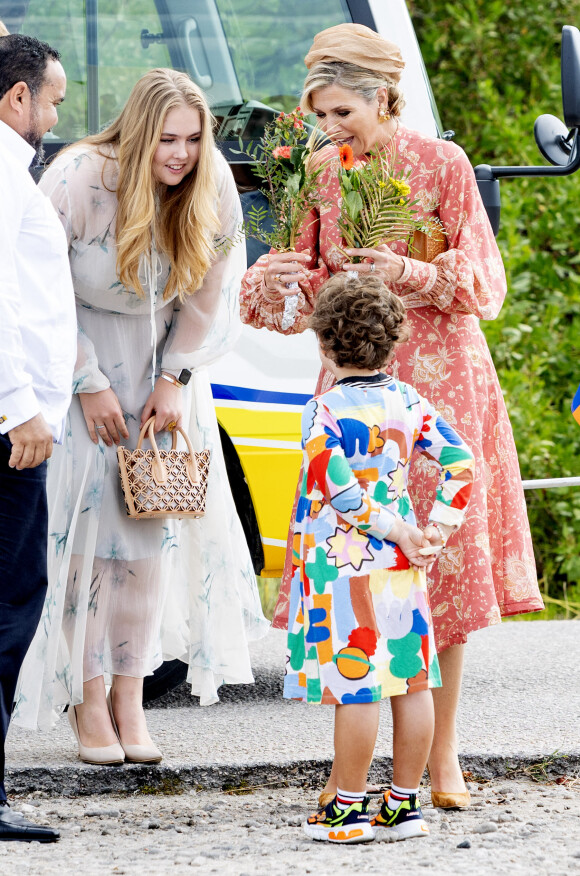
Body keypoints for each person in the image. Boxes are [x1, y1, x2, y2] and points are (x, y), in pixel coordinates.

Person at [241, 22, 544, 809]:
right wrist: (276, 278)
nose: (329, 129)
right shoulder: (317, 173)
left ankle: (443, 755)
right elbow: (301, 295)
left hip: (442, 377)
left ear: (381, 96)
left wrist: (408, 268)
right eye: (321, 114)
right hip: (352, 389)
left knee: (433, 562)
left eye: (342, 112)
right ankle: (359, 767)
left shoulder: (443, 163)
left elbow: (485, 280)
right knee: (362, 560)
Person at [14, 68, 269, 763]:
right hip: (75, 363)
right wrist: (87, 381)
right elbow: (34, 290)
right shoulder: (76, 178)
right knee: (90, 554)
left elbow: (212, 292)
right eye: (166, 139)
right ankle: (88, 701)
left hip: (162, 370)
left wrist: (173, 378)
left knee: (146, 550)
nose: (180, 154)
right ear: (135, 131)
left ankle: (132, 699)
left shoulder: (209, 181)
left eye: (191, 139)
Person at [290, 273, 474, 843]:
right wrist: (434, 530)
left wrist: (395, 528)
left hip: (342, 566)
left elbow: (340, 493)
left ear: (323, 344)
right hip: (400, 563)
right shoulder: (409, 401)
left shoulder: (322, 412)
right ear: (393, 343)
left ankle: (347, 809)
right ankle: (402, 806)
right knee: (411, 680)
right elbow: (461, 462)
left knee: (358, 686)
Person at [0, 33, 75, 842]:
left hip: (17, 417)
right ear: (16, 98)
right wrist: (20, 406)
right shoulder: (0, 174)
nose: (56, 115)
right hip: (10, 428)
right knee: (10, 604)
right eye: (51, 99)